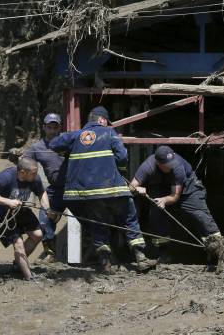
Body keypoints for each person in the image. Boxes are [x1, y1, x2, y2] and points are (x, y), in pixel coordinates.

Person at [50, 106, 156, 274]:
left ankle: (105, 263)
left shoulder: (75, 136)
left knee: (98, 226)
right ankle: (141, 258)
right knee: (129, 220)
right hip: (113, 189)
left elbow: (54, 144)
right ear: (102, 120)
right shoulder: (110, 133)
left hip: (86, 195)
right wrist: (119, 171)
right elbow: (122, 157)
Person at [129, 146, 221, 261]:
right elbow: (131, 186)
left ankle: (218, 252)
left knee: (201, 215)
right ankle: (164, 254)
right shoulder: (147, 166)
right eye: (167, 164)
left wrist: (165, 200)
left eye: (171, 162)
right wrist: (138, 189)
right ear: (158, 163)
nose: (171, 166)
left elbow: (175, 196)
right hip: (160, 188)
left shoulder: (178, 167)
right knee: (156, 216)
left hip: (187, 189)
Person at [0, 157, 53, 280]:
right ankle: (29, 277)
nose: (36, 176)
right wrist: (8, 201)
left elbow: (42, 192)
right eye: (33, 173)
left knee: (37, 235)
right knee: (18, 243)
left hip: (21, 210)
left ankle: (18, 264)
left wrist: (47, 208)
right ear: (22, 172)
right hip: (3, 214)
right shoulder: (6, 177)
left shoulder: (34, 178)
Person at [23, 112, 66, 262]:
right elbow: (24, 162)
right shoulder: (37, 147)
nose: (53, 130)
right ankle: (51, 253)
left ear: (60, 127)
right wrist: (16, 156)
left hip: (74, 187)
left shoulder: (67, 141)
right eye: (50, 127)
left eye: (55, 127)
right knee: (44, 218)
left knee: (87, 219)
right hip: (55, 189)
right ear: (44, 128)